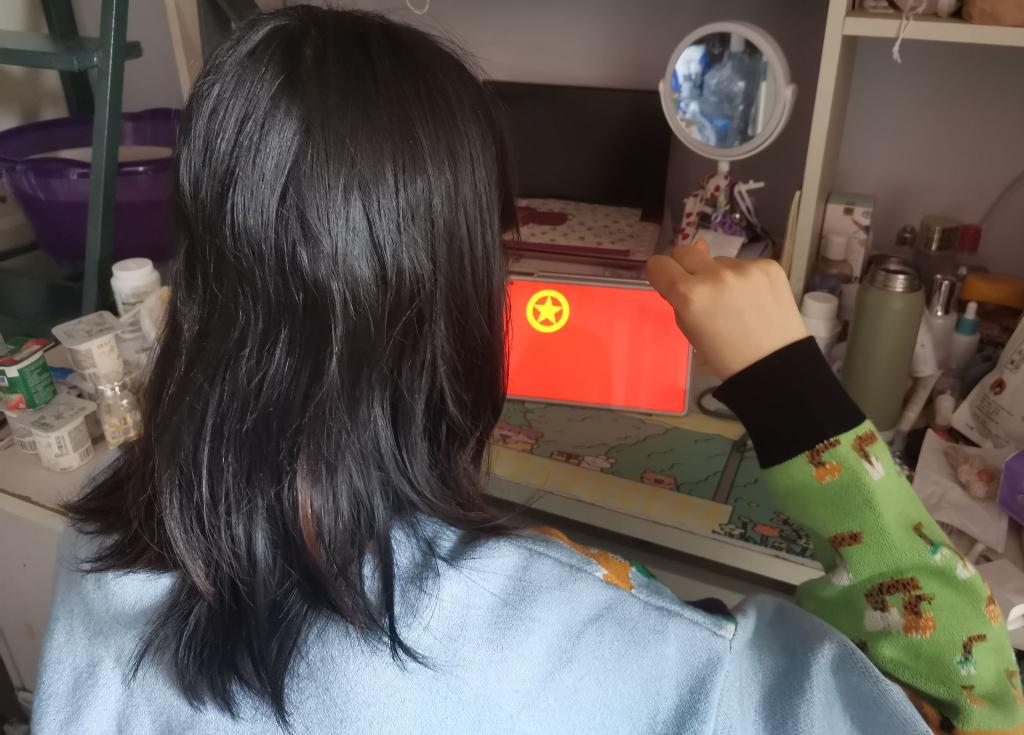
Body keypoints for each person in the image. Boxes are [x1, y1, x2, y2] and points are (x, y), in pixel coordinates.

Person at [32, 7, 1022, 734]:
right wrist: (793, 393)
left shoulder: (107, 525)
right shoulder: (602, 652)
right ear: (461, 292)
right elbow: (964, 701)